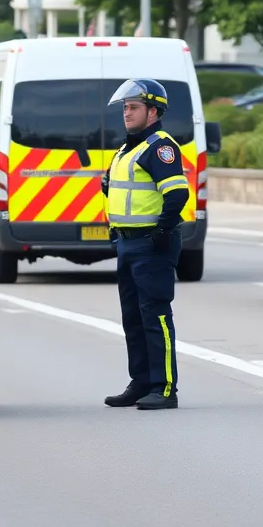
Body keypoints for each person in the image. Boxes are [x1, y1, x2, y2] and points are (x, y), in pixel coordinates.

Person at [101, 78, 190, 411]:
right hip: (128, 243)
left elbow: (177, 193)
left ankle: (165, 387)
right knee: (133, 318)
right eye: (125, 107)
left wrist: (162, 231)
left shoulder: (159, 146)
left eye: (134, 107)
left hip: (151, 244)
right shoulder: (128, 148)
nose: (126, 112)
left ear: (153, 111)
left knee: (156, 316)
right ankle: (140, 382)